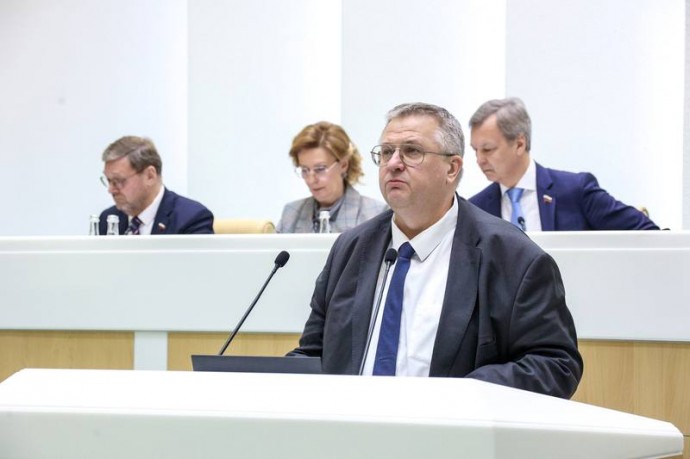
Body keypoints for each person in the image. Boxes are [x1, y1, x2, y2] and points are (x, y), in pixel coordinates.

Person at [289, 102, 583, 399]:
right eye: (387, 152)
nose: (393, 164)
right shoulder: (350, 249)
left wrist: (462, 394)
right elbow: (313, 355)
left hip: (456, 425)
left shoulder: (512, 256)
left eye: (412, 151)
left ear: (452, 168)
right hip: (350, 422)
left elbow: (555, 364)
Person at [468, 97, 659, 231]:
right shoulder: (475, 209)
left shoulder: (576, 190)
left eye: (488, 149)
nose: (479, 160)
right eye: (475, 150)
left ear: (519, 144)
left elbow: (646, 233)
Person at [276, 121, 387, 233]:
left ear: (343, 165)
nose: (311, 180)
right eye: (305, 170)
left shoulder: (376, 214)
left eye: (320, 169)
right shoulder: (291, 213)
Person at [98, 136, 214, 235]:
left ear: (150, 176)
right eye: (108, 181)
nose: (111, 190)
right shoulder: (108, 219)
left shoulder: (191, 219)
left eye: (118, 181)